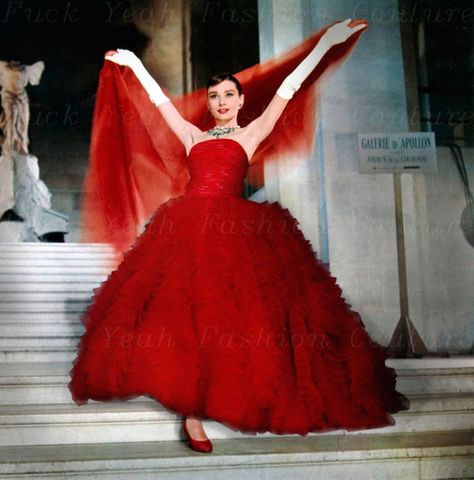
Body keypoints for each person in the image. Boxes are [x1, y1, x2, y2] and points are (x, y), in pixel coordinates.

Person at [68, 18, 410, 454]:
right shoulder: (193, 135)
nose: (222, 101)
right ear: (210, 104)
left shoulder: (252, 133)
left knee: (237, 321)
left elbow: (289, 87)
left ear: (240, 99)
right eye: (215, 96)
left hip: (236, 233)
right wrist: (134, 62)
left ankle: (229, 396)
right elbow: (160, 105)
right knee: (188, 318)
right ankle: (192, 414)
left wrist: (326, 42)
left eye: (229, 94)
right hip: (188, 230)